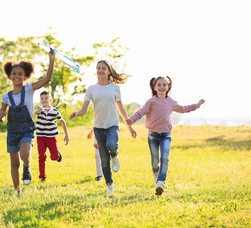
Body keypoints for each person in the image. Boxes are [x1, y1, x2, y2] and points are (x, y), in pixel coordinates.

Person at [126, 76, 205, 196]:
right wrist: (132, 119)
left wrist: (197, 104)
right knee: (155, 162)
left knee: (165, 158)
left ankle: (160, 183)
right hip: (152, 135)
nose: (162, 87)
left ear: (168, 87)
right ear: (154, 87)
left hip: (166, 136)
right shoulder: (151, 102)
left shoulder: (171, 102)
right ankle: (156, 173)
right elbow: (140, 112)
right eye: (159, 85)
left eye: (164, 85)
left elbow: (184, 109)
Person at [69, 60, 136, 196]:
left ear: (109, 71)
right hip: (98, 128)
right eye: (98, 68)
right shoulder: (91, 89)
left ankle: (115, 155)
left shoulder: (115, 88)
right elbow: (84, 109)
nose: (100, 70)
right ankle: (109, 185)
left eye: (103, 68)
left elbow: (121, 108)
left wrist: (129, 127)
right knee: (104, 160)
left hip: (112, 125)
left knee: (111, 145)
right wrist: (76, 113)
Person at [0, 48, 55, 196]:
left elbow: (47, 79)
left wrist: (51, 60)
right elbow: (2, 112)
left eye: (20, 74)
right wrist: (1, 116)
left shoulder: (29, 89)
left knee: (24, 153)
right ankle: (17, 190)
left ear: (25, 77)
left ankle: (27, 166)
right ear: (9, 76)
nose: (17, 76)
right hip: (12, 131)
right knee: (14, 163)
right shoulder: (6, 96)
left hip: (27, 129)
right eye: (14, 74)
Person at [34, 91, 69, 182]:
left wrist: (66, 135)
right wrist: (40, 109)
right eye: (42, 99)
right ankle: (42, 176)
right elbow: (35, 112)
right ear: (40, 100)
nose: (44, 100)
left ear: (50, 100)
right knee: (41, 156)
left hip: (51, 138)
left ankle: (57, 155)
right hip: (40, 137)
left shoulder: (54, 111)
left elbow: (62, 122)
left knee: (54, 157)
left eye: (46, 98)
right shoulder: (39, 109)